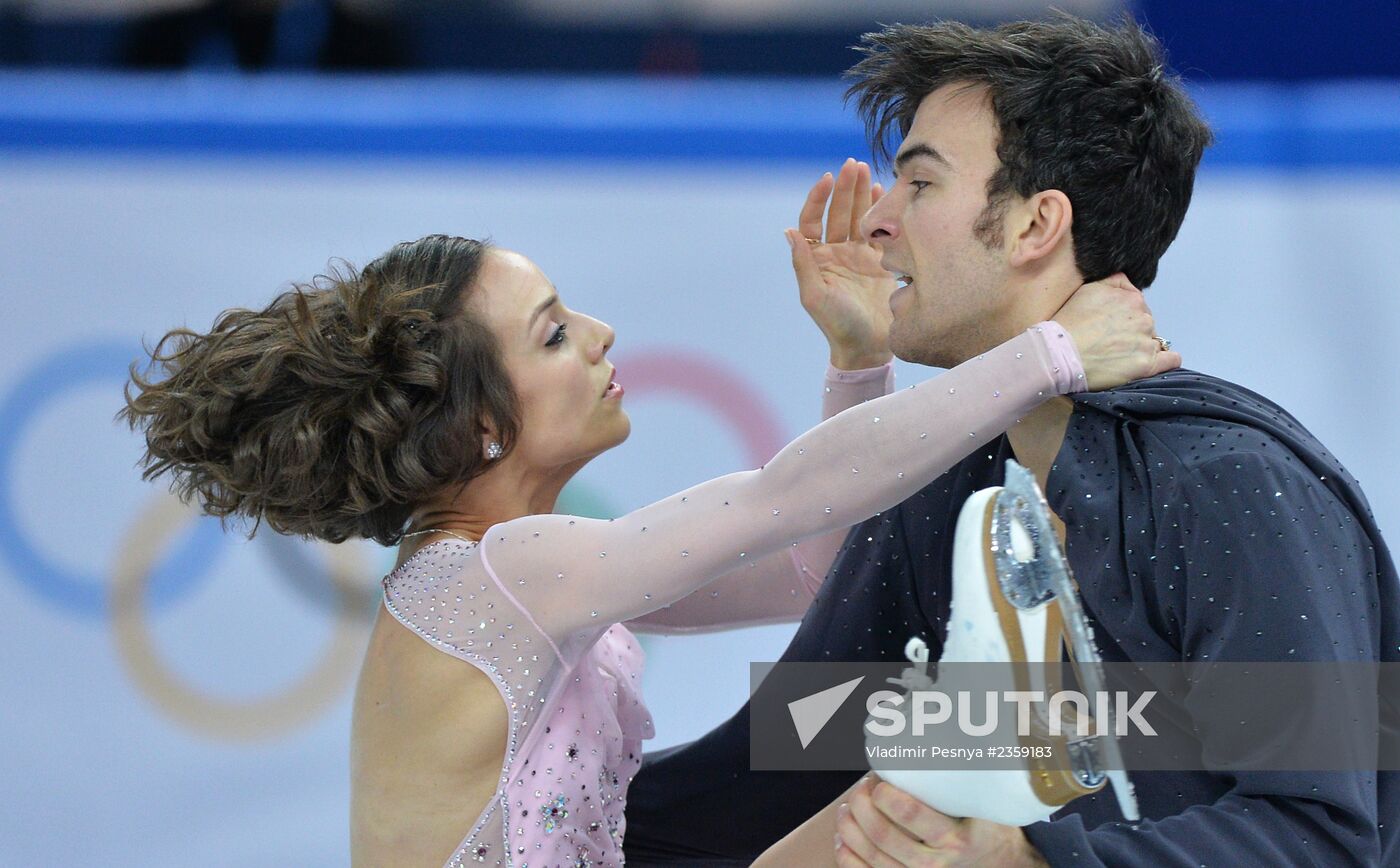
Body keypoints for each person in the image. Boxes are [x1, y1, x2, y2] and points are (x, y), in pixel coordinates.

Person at [118, 231, 1170, 865]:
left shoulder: (522, 576)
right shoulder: (499, 575)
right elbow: (780, 497)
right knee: (882, 788)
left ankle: (998, 725)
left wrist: (858, 358)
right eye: (551, 332)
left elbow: (814, 567)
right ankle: (998, 725)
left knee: (870, 781)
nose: (601, 329)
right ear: (483, 426)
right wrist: (1051, 352)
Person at [624, 16, 1399, 868]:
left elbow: (1320, 836)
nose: (878, 220)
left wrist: (1033, 862)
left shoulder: (1233, 483)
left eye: (919, 185)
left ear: (1036, 226)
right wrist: (530, 813)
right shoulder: (949, 480)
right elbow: (790, 760)